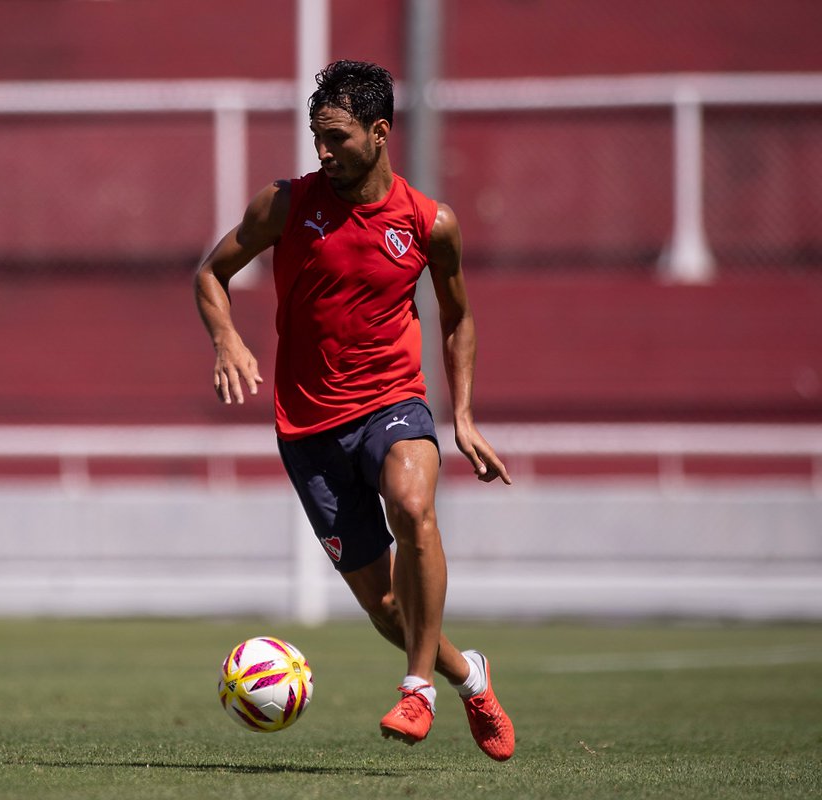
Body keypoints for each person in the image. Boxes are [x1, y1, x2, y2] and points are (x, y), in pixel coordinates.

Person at [194, 60, 515, 760]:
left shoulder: (431, 224)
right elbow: (211, 274)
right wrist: (226, 338)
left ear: (378, 131)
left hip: (391, 404)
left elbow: (458, 320)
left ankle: (417, 691)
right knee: (385, 607)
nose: (322, 151)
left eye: (336, 137)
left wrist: (461, 416)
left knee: (414, 503)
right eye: (316, 136)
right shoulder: (285, 205)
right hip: (307, 429)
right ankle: (468, 676)